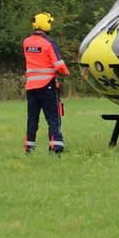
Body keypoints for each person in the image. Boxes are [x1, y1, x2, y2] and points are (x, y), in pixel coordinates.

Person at [23, 12, 70, 154]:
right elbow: (58, 64)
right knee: (53, 118)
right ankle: (56, 147)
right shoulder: (49, 43)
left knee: (32, 119)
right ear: (46, 24)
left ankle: (29, 148)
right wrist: (67, 72)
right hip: (47, 86)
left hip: (31, 87)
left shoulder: (26, 42)